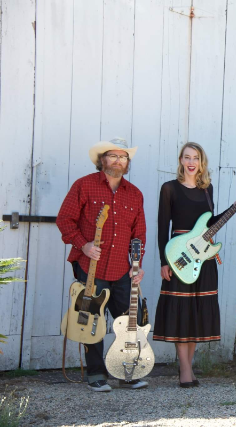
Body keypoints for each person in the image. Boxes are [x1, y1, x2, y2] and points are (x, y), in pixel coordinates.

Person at [153, 142, 236, 388]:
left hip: (203, 257)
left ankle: (188, 366)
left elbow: (209, 223)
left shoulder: (207, 189)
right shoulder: (169, 188)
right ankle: (184, 369)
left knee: (195, 310)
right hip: (178, 256)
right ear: (181, 160)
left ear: (201, 162)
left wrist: (234, 208)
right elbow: (162, 227)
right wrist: (164, 262)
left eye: (195, 157)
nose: (191, 162)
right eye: (187, 157)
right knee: (180, 309)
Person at [57, 138, 147, 392]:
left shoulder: (135, 193)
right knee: (91, 322)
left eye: (123, 157)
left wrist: (137, 264)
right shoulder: (84, 185)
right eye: (113, 156)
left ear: (127, 162)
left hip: (121, 268)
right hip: (90, 267)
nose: (119, 161)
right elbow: (65, 219)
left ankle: (126, 372)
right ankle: (96, 374)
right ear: (102, 160)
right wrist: (83, 245)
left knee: (129, 321)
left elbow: (139, 234)